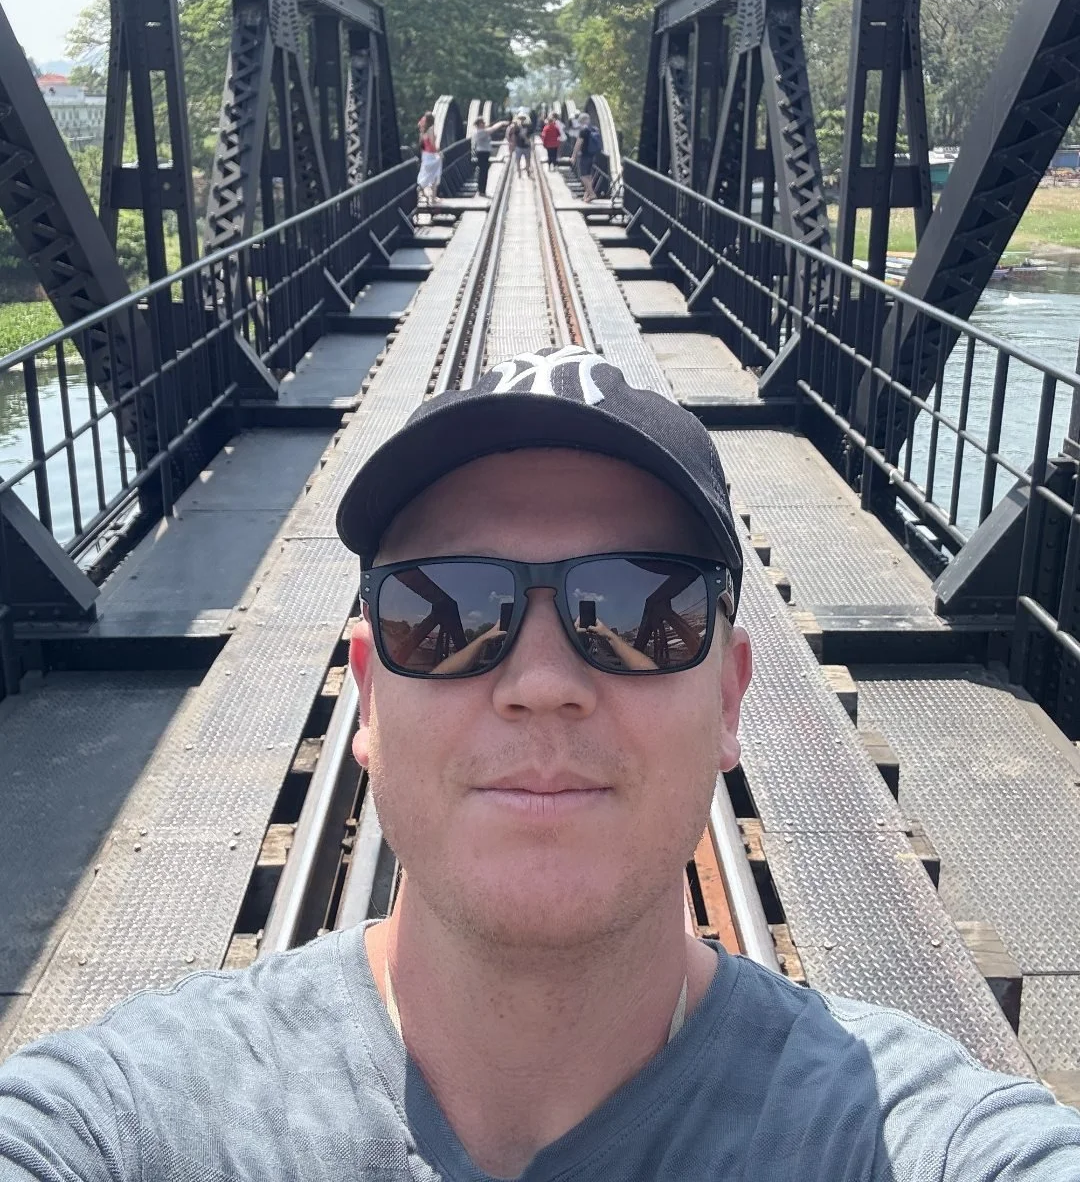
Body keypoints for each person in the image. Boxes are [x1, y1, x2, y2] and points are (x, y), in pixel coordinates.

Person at [1, 343, 1078, 1180]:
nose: (542, 680)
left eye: (642, 612)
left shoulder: (902, 1136)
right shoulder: (137, 1120)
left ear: (732, 694)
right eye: (451, 613)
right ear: (369, 692)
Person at [571, 111, 600, 201]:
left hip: (584, 156)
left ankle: (592, 194)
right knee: (589, 176)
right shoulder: (595, 129)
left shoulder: (583, 130)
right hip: (593, 155)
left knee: (583, 176)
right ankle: (586, 195)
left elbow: (578, 144)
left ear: (581, 121)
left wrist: (573, 156)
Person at [416, 111, 442, 209]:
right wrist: (438, 153)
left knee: (425, 174)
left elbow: (422, 145)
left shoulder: (422, 131)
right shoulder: (431, 129)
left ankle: (425, 193)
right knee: (434, 176)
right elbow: (432, 144)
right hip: (431, 156)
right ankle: (433, 197)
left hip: (425, 155)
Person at [471, 113, 494, 197]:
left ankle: (482, 190)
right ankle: (481, 190)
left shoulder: (481, 131)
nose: (484, 124)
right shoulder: (480, 132)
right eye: (483, 123)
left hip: (483, 153)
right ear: (479, 124)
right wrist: (502, 123)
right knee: (483, 172)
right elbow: (493, 129)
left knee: (483, 172)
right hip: (482, 153)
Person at [508, 113, 532, 178]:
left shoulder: (528, 126)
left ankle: (527, 170)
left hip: (526, 146)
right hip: (519, 146)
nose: (522, 120)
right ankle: (519, 173)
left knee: (528, 159)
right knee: (518, 160)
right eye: (520, 119)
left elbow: (531, 135)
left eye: (523, 119)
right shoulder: (516, 127)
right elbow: (512, 135)